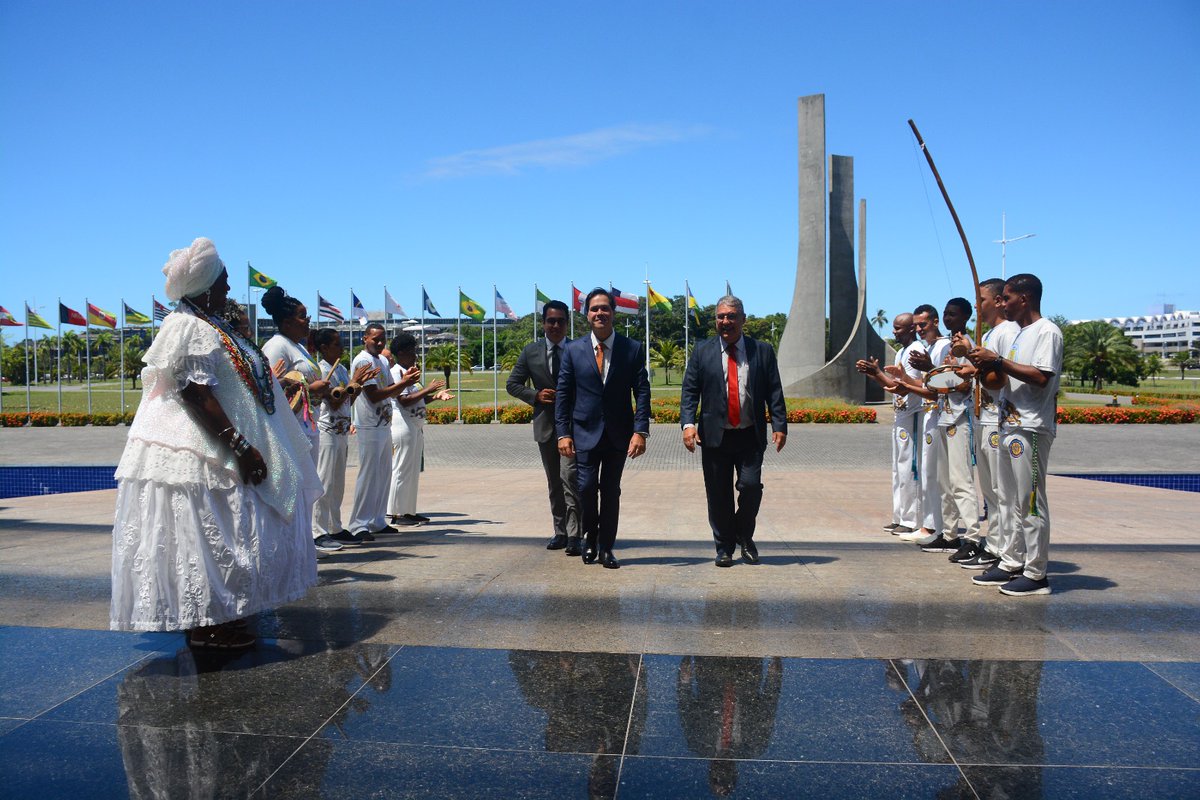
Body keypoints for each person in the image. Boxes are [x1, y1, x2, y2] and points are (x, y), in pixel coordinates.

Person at [111, 237, 324, 650]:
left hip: (221, 446)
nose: (228, 288)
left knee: (230, 535)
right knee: (208, 537)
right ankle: (205, 624)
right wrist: (239, 445)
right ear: (206, 287)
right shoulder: (187, 325)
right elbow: (194, 390)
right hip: (198, 451)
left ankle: (225, 616)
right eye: (223, 282)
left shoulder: (212, 325)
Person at [968, 273, 1063, 596]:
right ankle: (1011, 560)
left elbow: (1040, 376)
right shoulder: (1020, 335)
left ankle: (1036, 573)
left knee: (1031, 502)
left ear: (1024, 299)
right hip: (1009, 425)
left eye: (1007, 298)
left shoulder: (1046, 332)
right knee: (1009, 499)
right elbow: (999, 380)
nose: (1002, 304)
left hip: (1031, 427)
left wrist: (996, 359)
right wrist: (982, 366)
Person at [680, 296, 787, 567]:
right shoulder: (702, 351)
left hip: (749, 435)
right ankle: (724, 547)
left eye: (731, 316)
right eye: (720, 317)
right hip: (715, 436)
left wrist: (779, 424)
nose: (725, 322)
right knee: (718, 495)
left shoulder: (761, 350)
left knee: (750, 487)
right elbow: (690, 391)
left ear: (743, 319)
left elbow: (774, 389)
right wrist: (688, 424)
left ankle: (744, 535)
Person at [555, 288, 651, 569]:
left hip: (619, 435)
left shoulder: (631, 349)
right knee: (585, 488)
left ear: (613, 312)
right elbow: (563, 394)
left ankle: (607, 548)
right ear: (587, 315)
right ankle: (590, 538)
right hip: (583, 433)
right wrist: (563, 432)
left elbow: (642, 392)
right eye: (594, 309)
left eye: (605, 308)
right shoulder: (573, 350)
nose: (600, 313)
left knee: (611, 491)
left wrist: (640, 430)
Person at [261, 286, 347, 552]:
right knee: (295, 490)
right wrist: (312, 389)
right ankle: (293, 544)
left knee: (306, 489)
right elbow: (269, 388)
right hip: (290, 429)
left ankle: (303, 542)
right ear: (286, 321)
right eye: (302, 316)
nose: (307, 320)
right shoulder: (276, 346)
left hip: (307, 426)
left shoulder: (297, 346)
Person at [506, 300, 581, 554]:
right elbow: (512, 384)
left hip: (574, 426)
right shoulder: (531, 352)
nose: (556, 325)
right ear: (543, 323)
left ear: (567, 323)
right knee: (554, 483)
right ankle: (560, 531)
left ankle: (575, 534)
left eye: (561, 321)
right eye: (551, 321)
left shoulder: (579, 348)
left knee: (570, 478)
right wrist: (535, 395)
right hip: (546, 426)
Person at [957, 279, 1019, 571]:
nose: (976, 307)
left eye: (981, 300)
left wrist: (972, 355)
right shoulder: (994, 333)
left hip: (997, 418)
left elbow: (997, 377)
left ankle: (1004, 548)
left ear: (997, 301)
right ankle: (994, 543)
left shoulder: (1007, 332)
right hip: (984, 417)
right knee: (991, 491)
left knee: (1000, 489)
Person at [346, 322, 419, 537]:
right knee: (368, 475)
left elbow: (392, 391)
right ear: (364, 338)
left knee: (383, 474)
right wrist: (403, 383)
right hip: (369, 424)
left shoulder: (382, 361)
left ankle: (377, 520)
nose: (379, 343)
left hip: (383, 424)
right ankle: (359, 524)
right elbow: (374, 394)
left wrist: (405, 383)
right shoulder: (362, 360)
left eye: (382, 339)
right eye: (374, 339)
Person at [857, 312, 925, 537]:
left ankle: (912, 519)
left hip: (913, 415)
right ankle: (900, 516)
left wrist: (877, 374)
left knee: (910, 469)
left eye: (899, 328)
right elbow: (893, 384)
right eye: (894, 328)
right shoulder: (902, 352)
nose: (894, 331)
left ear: (911, 329)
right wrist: (874, 374)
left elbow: (905, 387)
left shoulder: (916, 351)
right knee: (898, 470)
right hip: (901, 417)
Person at [925, 297, 981, 558]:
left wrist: (948, 376)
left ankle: (972, 537)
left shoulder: (969, 344)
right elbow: (940, 380)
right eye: (946, 314)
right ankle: (949, 534)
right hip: (943, 415)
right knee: (944, 481)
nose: (948, 319)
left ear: (966, 317)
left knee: (961, 480)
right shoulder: (946, 346)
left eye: (953, 315)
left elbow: (967, 381)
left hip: (961, 416)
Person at [313, 327, 379, 545]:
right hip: (326, 431)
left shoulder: (340, 368)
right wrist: (354, 383)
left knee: (337, 483)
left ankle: (335, 526)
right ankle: (318, 530)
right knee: (324, 481)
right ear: (323, 348)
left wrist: (358, 384)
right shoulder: (321, 370)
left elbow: (349, 397)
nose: (341, 347)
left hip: (340, 431)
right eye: (336, 344)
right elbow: (334, 400)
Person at [891, 304, 950, 545]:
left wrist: (905, 382)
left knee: (919, 471)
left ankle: (923, 523)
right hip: (917, 415)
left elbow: (937, 385)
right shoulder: (917, 349)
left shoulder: (931, 348)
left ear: (935, 322)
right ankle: (912, 519)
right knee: (905, 469)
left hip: (928, 414)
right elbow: (908, 382)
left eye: (921, 325)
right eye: (915, 325)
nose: (918, 329)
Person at [387, 332, 452, 526]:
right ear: (400, 352)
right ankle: (396, 513)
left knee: (412, 470)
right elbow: (404, 400)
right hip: (402, 424)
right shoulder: (395, 372)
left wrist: (435, 396)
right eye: (411, 351)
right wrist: (428, 389)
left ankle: (409, 510)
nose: (415, 354)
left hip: (414, 425)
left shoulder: (410, 372)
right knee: (401, 468)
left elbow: (418, 398)